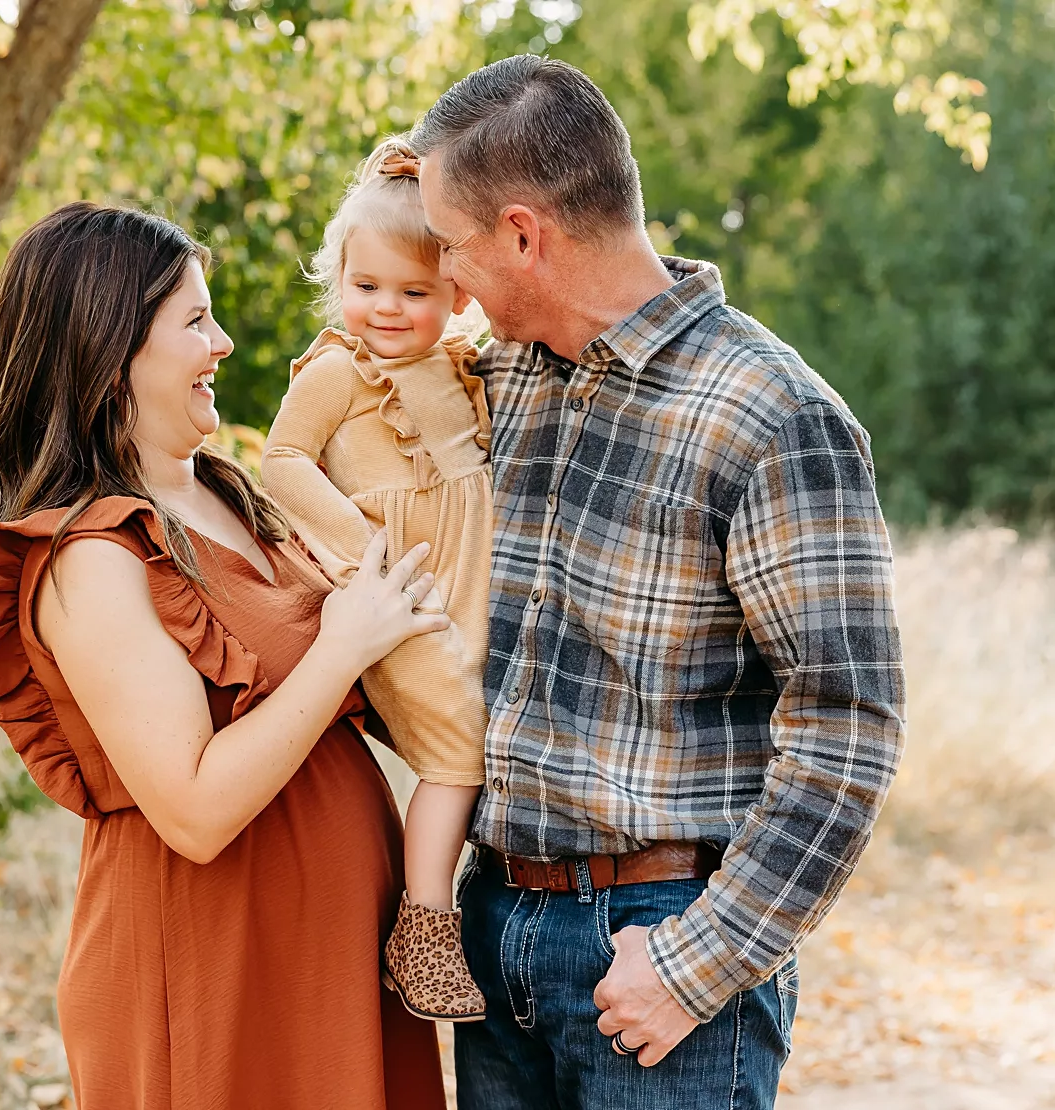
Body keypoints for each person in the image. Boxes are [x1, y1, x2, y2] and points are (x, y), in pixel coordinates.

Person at [409, 56, 908, 1108]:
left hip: (660, 945)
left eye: (452, 247)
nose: (446, 280)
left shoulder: (771, 415)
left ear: (521, 235)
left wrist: (698, 963)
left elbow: (848, 726)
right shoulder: (499, 378)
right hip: (496, 922)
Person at [0, 202, 448, 1110]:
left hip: (329, 949)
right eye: (194, 321)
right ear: (110, 354)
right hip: (215, 962)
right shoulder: (92, 556)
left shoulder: (235, 494)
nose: (221, 343)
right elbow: (191, 809)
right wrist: (341, 647)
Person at [261, 136, 492, 1022]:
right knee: (456, 747)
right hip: (395, 589)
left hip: (468, 582)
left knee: (480, 733)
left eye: (414, 292)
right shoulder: (335, 370)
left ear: (456, 296)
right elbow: (281, 460)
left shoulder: (459, 367)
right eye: (366, 288)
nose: (386, 310)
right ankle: (423, 922)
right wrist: (362, 550)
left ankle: (463, 904)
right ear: (338, 278)